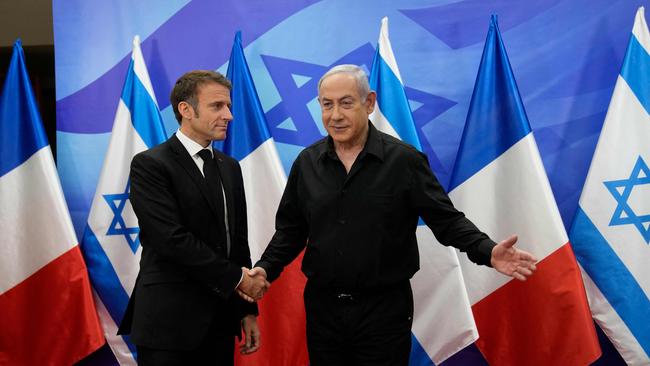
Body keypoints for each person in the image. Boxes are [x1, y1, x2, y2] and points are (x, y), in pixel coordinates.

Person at [243, 64, 537, 365]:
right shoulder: (307, 163)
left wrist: (488, 251)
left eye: (346, 103)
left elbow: (447, 220)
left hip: (383, 311)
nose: (335, 115)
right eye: (327, 105)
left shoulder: (404, 161)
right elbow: (291, 230)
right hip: (323, 310)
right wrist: (266, 269)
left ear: (369, 103)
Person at [118, 70, 270, 365]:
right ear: (185, 110)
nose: (228, 115)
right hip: (169, 326)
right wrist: (239, 279)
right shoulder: (150, 165)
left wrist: (248, 310)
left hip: (220, 323)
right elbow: (171, 240)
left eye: (228, 106)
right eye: (217, 106)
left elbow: (237, 242)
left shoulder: (230, 167)